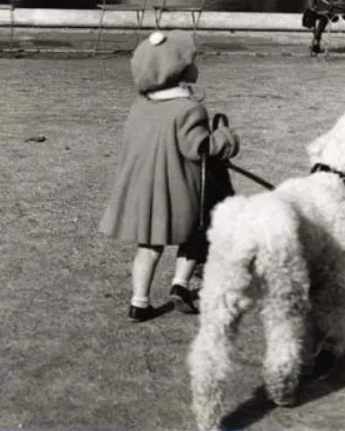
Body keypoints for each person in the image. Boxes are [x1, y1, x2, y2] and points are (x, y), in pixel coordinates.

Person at [99, 31, 240, 322]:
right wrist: (226, 137)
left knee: (149, 247)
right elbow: (200, 148)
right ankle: (181, 284)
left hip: (147, 191)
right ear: (178, 71)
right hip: (179, 190)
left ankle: (139, 302)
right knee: (194, 237)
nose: (196, 65)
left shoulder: (141, 106)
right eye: (192, 61)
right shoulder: (189, 110)